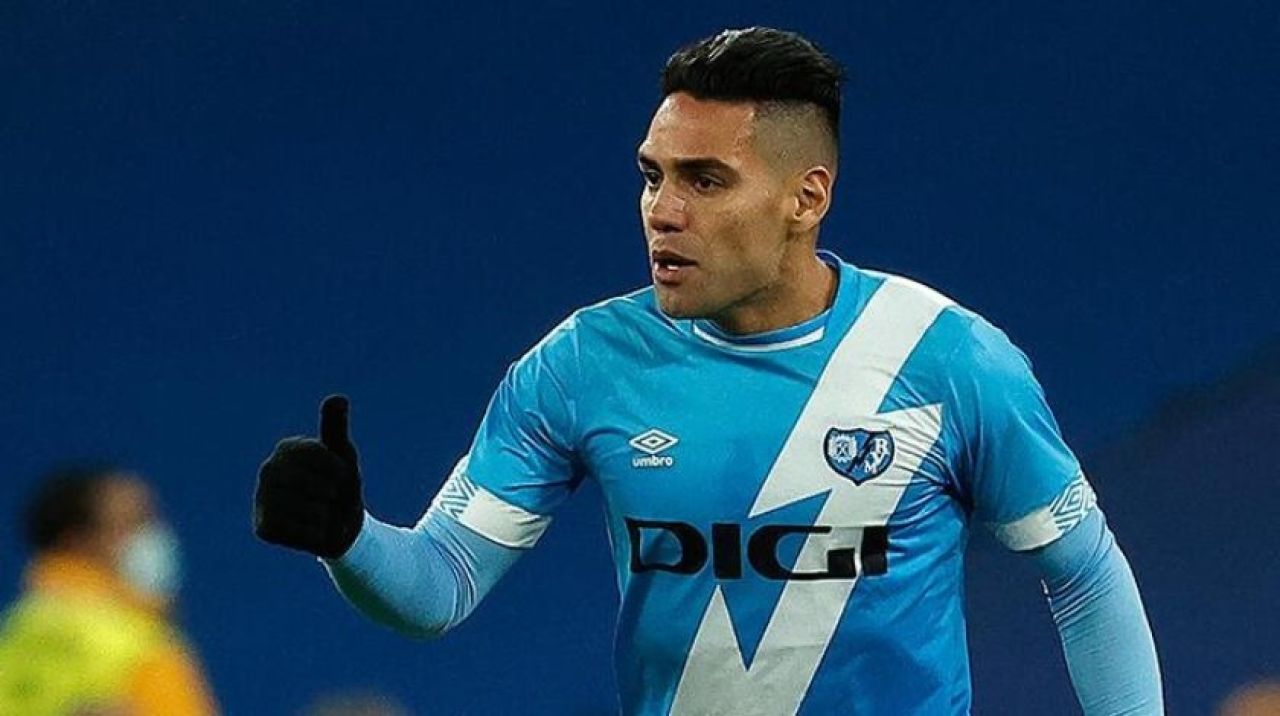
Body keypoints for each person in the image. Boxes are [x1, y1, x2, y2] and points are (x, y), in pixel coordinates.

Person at [254, 27, 1162, 715]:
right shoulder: (581, 366)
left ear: (807, 196)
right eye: (652, 176)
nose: (662, 210)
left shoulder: (951, 360)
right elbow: (439, 584)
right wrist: (348, 538)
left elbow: (1083, 574)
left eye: (705, 180)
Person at [0, 464, 217, 716]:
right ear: (77, 541)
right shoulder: (138, 643)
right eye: (136, 521)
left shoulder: (18, 629)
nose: (155, 535)